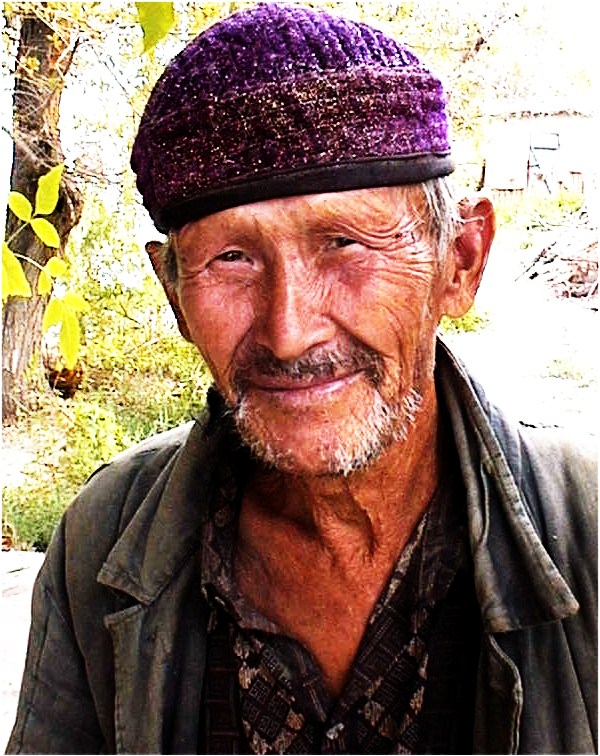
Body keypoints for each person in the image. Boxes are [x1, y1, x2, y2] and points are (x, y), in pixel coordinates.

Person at [7, 3, 597, 754]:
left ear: (460, 262)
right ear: (175, 296)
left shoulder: (587, 530)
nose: (289, 330)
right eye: (231, 259)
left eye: (345, 243)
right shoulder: (104, 539)